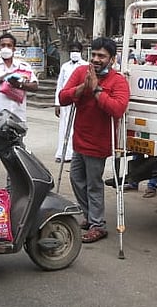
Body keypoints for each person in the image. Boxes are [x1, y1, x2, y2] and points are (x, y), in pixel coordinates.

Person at [57, 36, 131, 243]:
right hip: (79, 137)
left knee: (93, 184)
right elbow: (63, 97)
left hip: (99, 142)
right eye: (95, 55)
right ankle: (89, 216)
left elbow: (117, 109)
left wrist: (97, 89)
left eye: (102, 56)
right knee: (76, 179)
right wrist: (82, 88)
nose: (97, 59)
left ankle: (98, 225)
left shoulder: (118, 81)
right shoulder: (81, 72)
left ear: (112, 59)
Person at [0, 32, 38, 185]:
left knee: (16, 155)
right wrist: (1, 79)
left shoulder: (23, 66)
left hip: (17, 118)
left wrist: (19, 84)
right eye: (3, 45)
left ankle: (13, 187)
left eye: (9, 45)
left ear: (14, 48)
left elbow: (35, 86)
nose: (6, 48)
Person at [54, 42, 88, 163]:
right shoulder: (65, 66)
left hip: (79, 100)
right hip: (66, 99)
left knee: (76, 127)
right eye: (73, 50)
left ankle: (74, 154)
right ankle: (62, 153)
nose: (75, 53)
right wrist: (57, 103)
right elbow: (60, 85)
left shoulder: (86, 66)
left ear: (81, 52)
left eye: (77, 51)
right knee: (64, 127)